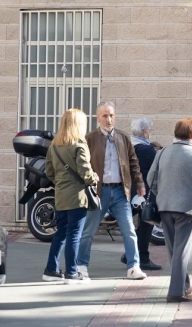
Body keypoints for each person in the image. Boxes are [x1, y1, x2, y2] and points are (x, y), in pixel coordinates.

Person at [77, 101, 147, 280]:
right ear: (98, 118)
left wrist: (139, 183)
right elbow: (82, 164)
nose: (109, 119)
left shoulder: (123, 138)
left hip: (120, 192)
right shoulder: (90, 138)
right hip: (99, 192)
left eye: (112, 115)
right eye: (105, 116)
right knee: (88, 231)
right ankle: (81, 266)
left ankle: (133, 266)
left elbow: (133, 163)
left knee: (129, 230)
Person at [149, 118, 192, 303]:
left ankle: (184, 285)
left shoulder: (162, 153)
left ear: (175, 133)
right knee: (182, 250)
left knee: (174, 250)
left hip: (165, 206)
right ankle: (176, 292)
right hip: (187, 207)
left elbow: (150, 178)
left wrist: (161, 194)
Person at [42, 109, 99, 284]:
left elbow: (49, 172)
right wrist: (94, 178)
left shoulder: (54, 145)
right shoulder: (79, 144)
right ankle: (72, 273)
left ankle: (51, 270)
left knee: (61, 233)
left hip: (60, 196)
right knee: (74, 234)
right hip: (77, 196)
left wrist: (61, 182)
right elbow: (85, 171)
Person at [118, 118, 162, 271]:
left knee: (137, 226)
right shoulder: (146, 150)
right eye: (149, 130)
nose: (150, 133)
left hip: (129, 191)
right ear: (144, 132)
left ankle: (132, 254)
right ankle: (141, 257)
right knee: (145, 226)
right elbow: (159, 168)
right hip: (144, 194)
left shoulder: (129, 146)